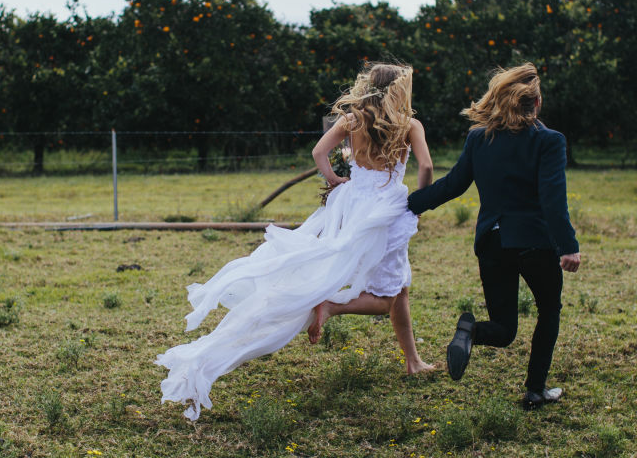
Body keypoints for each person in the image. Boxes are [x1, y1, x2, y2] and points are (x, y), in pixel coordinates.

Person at [156, 62, 434, 421]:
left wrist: (336, 179)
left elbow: (319, 153)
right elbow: (425, 168)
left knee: (401, 285)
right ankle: (331, 306)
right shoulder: (409, 125)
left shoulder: (352, 120)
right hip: (388, 213)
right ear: (398, 91)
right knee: (386, 298)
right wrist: (420, 205)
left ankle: (413, 360)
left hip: (352, 207)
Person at [407, 62, 581, 410]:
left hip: (492, 243)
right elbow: (552, 200)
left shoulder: (479, 138)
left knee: (504, 329)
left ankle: (469, 330)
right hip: (534, 244)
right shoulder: (549, 142)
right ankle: (535, 390)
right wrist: (568, 246)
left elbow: (453, 185)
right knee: (549, 311)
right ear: (536, 103)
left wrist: (409, 203)